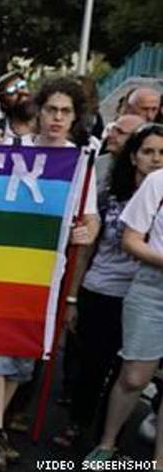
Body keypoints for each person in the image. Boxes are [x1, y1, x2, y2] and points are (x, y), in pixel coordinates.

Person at [0, 77, 100, 472]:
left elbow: (91, 215)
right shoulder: (15, 150)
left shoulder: (80, 162)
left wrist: (88, 229)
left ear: (76, 117)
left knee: (25, 352)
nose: (58, 118)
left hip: (48, 271)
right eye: (52, 109)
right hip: (7, 264)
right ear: (40, 111)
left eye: (66, 112)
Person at [54, 124, 163, 450]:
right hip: (105, 292)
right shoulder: (108, 198)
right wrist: (72, 298)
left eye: (162, 153)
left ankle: (112, 438)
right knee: (95, 366)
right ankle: (80, 425)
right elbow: (86, 250)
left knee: (129, 373)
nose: (156, 159)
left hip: (144, 291)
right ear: (132, 156)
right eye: (148, 151)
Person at [84, 154, 163, 467]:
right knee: (133, 377)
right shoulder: (158, 182)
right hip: (153, 286)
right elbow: (131, 241)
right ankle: (108, 443)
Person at [96, 115, 147, 192]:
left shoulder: (143, 168)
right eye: (112, 130)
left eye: (120, 132)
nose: (111, 135)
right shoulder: (97, 163)